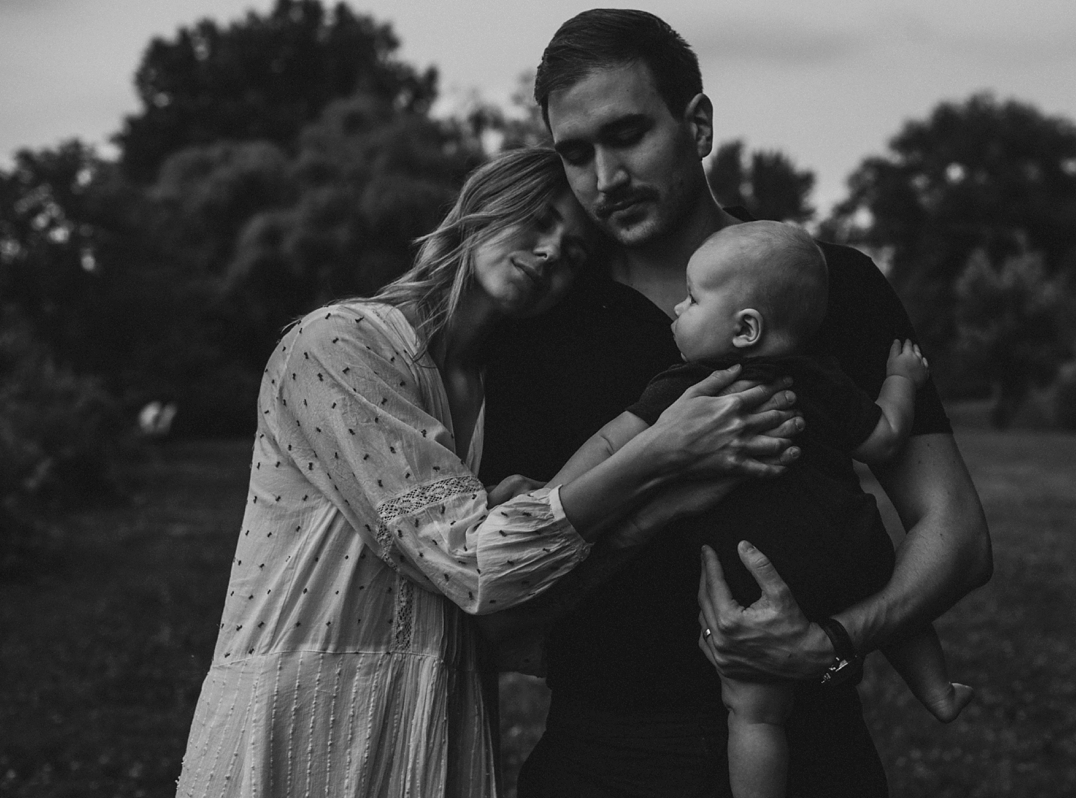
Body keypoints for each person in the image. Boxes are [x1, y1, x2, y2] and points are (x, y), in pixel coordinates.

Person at [175, 147, 802, 798]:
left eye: (577, 251)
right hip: (306, 722)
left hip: (435, 724)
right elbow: (478, 565)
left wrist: (663, 506)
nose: (556, 249)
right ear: (480, 213)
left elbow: (519, 604)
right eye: (538, 220)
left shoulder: (501, 397)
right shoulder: (339, 343)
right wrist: (661, 450)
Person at [479, 10, 992, 797]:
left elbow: (954, 530)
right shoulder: (539, 325)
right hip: (605, 751)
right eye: (576, 154)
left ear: (700, 124)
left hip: (814, 745)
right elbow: (508, 606)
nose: (605, 179)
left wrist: (830, 642)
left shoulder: (829, 286)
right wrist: (658, 486)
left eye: (628, 135)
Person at [546, 220, 975, 798]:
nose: (679, 308)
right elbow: (887, 439)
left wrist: (553, 492)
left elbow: (609, 444)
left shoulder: (691, 385)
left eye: (693, 300)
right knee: (896, 599)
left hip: (758, 574)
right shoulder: (824, 377)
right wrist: (900, 378)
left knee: (755, 714)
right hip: (848, 547)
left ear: (746, 329)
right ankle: (937, 691)